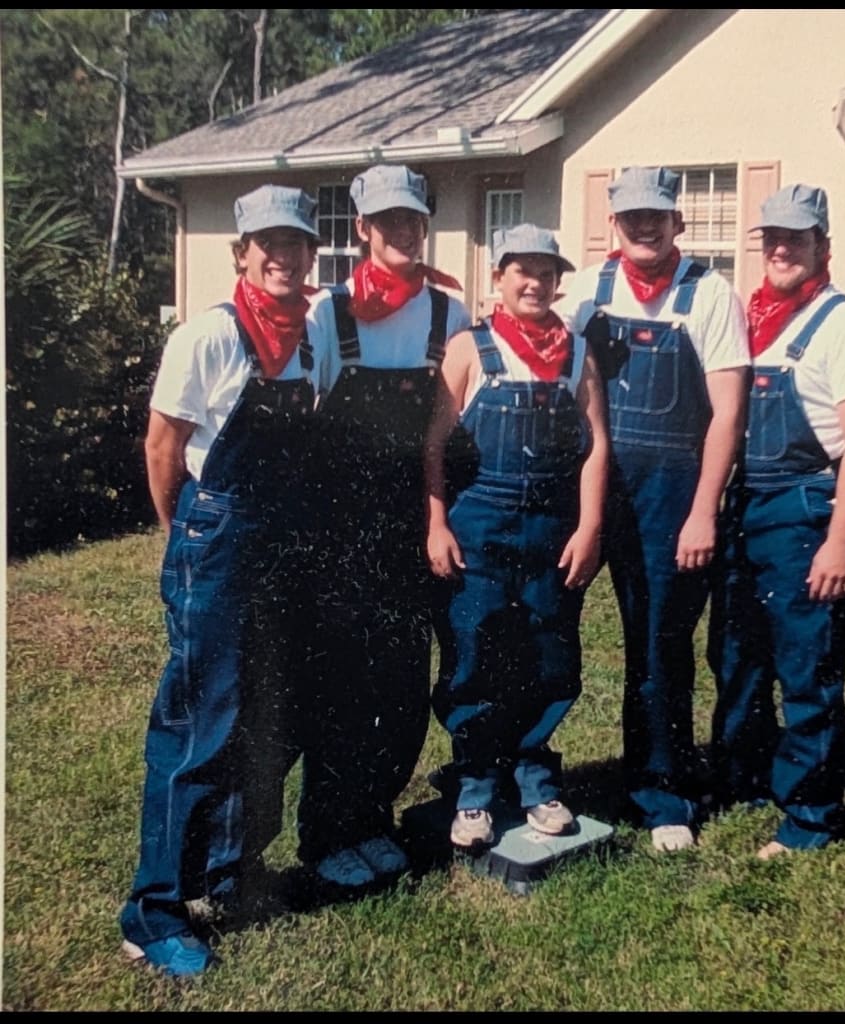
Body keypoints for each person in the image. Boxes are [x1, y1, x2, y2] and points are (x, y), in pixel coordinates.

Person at [120, 185, 339, 977]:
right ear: (243, 253)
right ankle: (154, 911)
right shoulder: (207, 336)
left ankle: (227, 874)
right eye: (268, 244)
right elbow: (161, 447)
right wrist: (187, 534)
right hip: (217, 536)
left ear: (313, 254)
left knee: (265, 712)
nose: (284, 256)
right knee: (198, 723)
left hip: (282, 537)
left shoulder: (316, 338)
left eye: (298, 244)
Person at [557, 166, 749, 852]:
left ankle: (661, 792)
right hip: (589, 484)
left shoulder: (710, 295)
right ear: (613, 223)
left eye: (656, 216)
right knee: (549, 630)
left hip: (672, 493)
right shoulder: (584, 292)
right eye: (630, 216)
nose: (644, 227)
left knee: (660, 643)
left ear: (678, 223)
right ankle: (533, 782)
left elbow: (728, 414)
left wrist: (704, 510)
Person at [297, 164, 473, 885]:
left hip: (414, 519)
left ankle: (376, 815)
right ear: (362, 228)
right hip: (340, 523)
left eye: (413, 219)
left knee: (402, 681)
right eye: (387, 220)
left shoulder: (447, 315)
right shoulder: (327, 314)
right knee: (342, 679)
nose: (403, 231)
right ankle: (327, 830)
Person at [707, 183, 845, 859]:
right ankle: (746, 780)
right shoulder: (755, 319)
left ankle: (807, 815)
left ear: (822, 247)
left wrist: (841, 537)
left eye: (797, 239)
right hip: (743, 506)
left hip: (805, 510)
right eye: (772, 238)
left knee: (806, 666)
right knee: (737, 657)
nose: (782, 249)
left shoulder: (842, 324)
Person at [425, 223, 609, 848]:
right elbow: (433, 444)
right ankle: (474, 786)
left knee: (547, 655)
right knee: (474, 651)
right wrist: (437, 521)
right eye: (520, 270)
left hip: (553, 531)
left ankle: (534, 777)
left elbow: (596, 446)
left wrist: (589, 527)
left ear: (559, 282)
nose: (534, 282)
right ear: (498, 278)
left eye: (546, 271)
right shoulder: (469, 349)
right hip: (480, 523)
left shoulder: (578, 353)